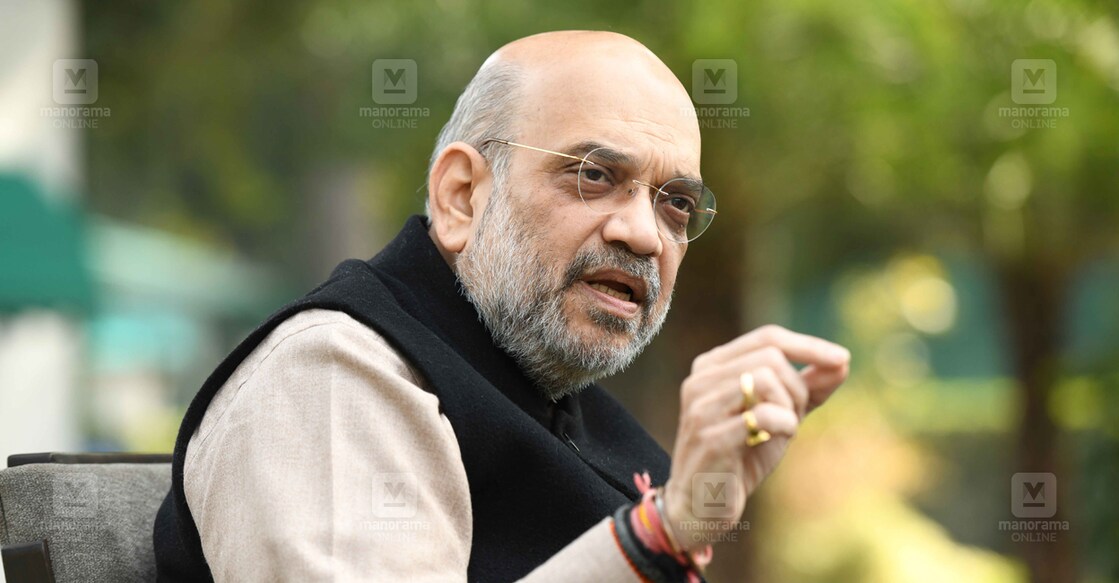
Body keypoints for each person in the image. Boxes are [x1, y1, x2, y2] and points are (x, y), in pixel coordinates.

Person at [152, 30, 851, 582]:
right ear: (461, 195)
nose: (643, 232)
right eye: (594, 175)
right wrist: (657, 536)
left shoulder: (565, 403)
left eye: (675, 203)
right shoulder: (331, 378)